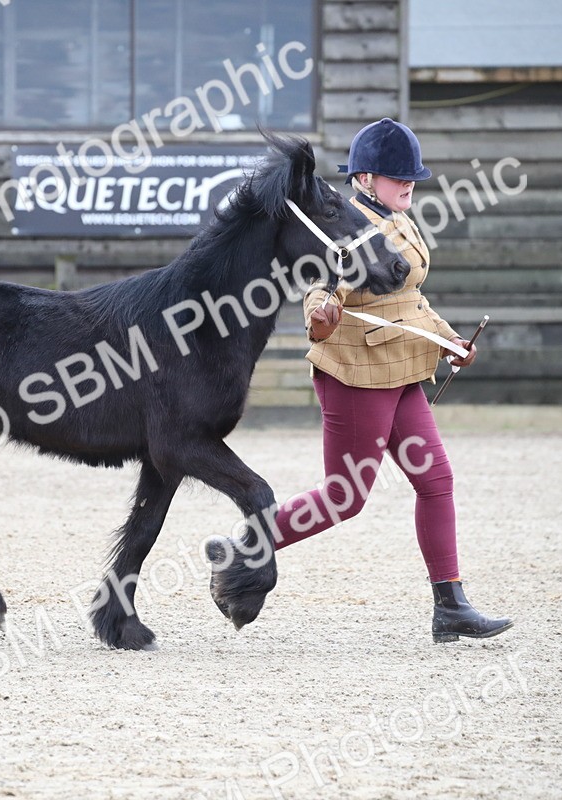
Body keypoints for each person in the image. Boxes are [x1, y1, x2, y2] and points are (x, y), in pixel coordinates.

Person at [214, 118, 512, 642]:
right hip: (357, 375)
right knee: (344, 497)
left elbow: (410, 301)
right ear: (366, 179)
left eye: (412, 177)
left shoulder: (402, 217)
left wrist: (450, 342)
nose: (410, 185)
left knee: (435, 480)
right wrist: (319, 318)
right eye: (400, 177)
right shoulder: (343, 225)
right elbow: (318, 292)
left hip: (405, 372)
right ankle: (247, 547)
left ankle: (451, 605)